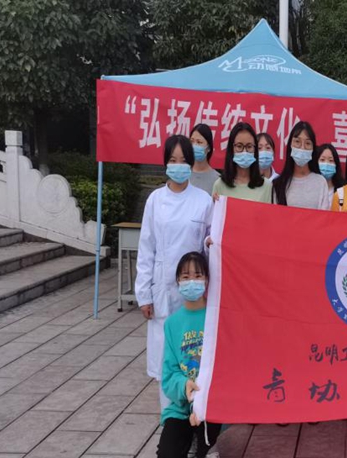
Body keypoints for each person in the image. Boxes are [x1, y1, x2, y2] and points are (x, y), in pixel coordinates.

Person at [136, 135, 212, 410]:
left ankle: (197, 414)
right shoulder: (155, 200)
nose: (178, 166)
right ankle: (170, 417)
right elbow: (147, 248)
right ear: (165, 163)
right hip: (164, 291)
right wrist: (144, 294)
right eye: (173, 160)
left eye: (183, 161)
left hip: (195, 290)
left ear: (191, 163)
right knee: (166, 359)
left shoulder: (203, 200)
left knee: (194, 356)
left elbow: (210, 246)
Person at [157, 252, 223, 458]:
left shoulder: (218, 318)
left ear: (207, 280)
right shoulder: (172, 324)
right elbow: (169, 374)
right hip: (181, 408)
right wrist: (185, 386)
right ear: (178, 281)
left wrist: (202, 402)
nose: (192, 282)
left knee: (209, 451)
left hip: (212, 406)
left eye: (198, 276)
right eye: (185, 277)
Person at [271, 121, 331, 209]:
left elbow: (324, 215)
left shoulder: (320, 182)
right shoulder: (279, 184)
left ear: (313, 149)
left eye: (307, 143)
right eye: (297, 141)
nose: (302, 147)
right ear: (290, 145)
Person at [211, 122, 272, 203]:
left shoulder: (266, 186)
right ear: (231, 149)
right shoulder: (220, 185)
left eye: (249, 146)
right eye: (239, 146)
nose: (244, 151)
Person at [189, 124, 220, 194]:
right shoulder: (182, 174)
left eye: (199, 142)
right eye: (192, 141)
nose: (194, 145)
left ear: (208, 148)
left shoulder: (217, 180)